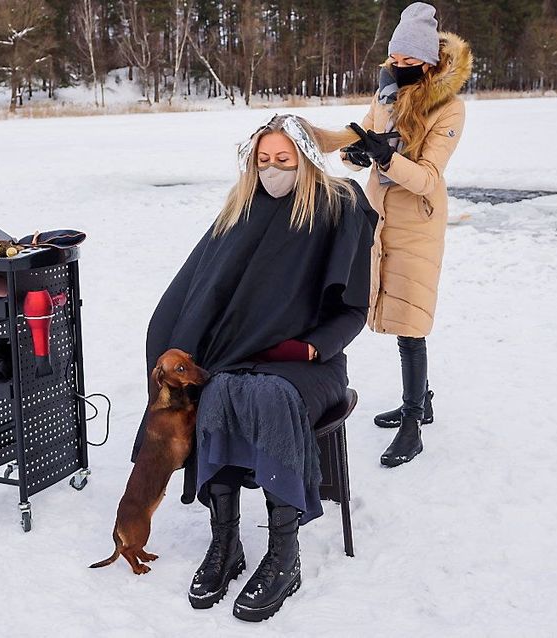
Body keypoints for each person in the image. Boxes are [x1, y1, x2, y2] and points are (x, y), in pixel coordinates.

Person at [138, 114, 377, 621]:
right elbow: (199, 292)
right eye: (263, 160)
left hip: (310, 362)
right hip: (240, 356)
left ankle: (284, 555)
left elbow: (354, 309)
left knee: (266, 394)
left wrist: (308, 349)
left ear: (306, 160)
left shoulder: (341, 208)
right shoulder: (240, 213)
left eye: (283, 161)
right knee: (219, 390)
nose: (272, 170)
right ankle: (225, 543)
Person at [330, 2, 473, 467]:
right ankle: (422, 400)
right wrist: (356, 153)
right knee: (389, 308)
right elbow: (364, 141)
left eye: (411, 60)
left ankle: (413, 424)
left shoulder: (449, 108)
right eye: (396, 58)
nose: (401, 66)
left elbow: (429, 176)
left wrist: (387, 158)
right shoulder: (385, 96)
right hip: (380, 216)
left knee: (411, 320)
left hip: (417, 219)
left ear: (430, 62)